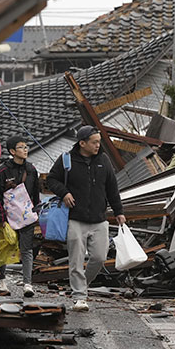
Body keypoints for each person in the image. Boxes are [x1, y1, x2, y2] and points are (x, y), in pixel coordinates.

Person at [46, 125, 125, 311]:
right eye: (94, 142)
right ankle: (80, 296)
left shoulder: (104, 161)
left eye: (99, 141)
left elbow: (112, 189)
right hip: (76, 218)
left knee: (99, 257)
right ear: (82, 143)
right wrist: (64, 193)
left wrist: (119, 211)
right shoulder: (67, 159)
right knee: (76, 259)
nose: (98, 145)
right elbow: (51, 179)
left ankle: (83, 284)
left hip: (99, 219)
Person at [0, 135, 40, 296]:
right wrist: (0, 217)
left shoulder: (31, 170)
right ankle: (1, 279)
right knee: (5, 248)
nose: (25, 150)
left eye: (26, 147)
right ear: (12, 151)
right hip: (8, 218)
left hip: (27, 217)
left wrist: (36, 211)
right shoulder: (3, 171)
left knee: (27, 250)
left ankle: (28, 283)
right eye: (21, 147)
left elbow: (36, 194)